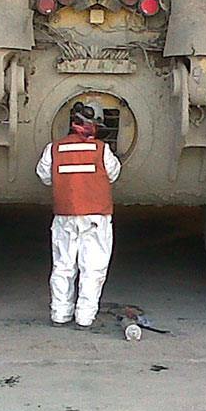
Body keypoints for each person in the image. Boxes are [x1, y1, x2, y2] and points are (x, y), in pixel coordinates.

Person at [35, 102, 121, 328]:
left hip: (64, 216)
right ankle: (84, 316)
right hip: (96, 217)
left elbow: (44, 175)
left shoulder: (53, 149)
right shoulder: (102, 150)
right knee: (92, 268)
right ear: (93, 126)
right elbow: (113, 174)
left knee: (63, 266)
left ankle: (59, 313)